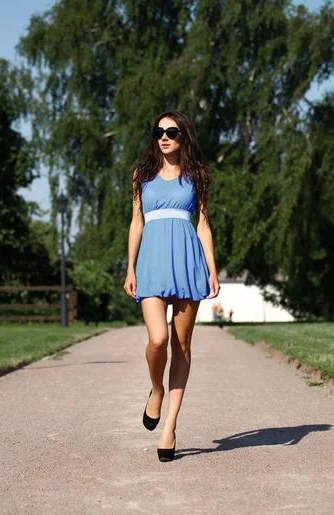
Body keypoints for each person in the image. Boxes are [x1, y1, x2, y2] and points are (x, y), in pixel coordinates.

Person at [123, 111, 220, 462]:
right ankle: (155, 390)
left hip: (188, 263)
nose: (164, 136)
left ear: (184, 136)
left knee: (181, 344)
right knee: (158, 340)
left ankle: (170, 428)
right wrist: (130, 267)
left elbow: (204, 226)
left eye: (172, 131)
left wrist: (212, 269)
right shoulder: (142, 176)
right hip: (150, 263)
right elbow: (136, 223)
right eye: (159, 131)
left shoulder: (198, 176)